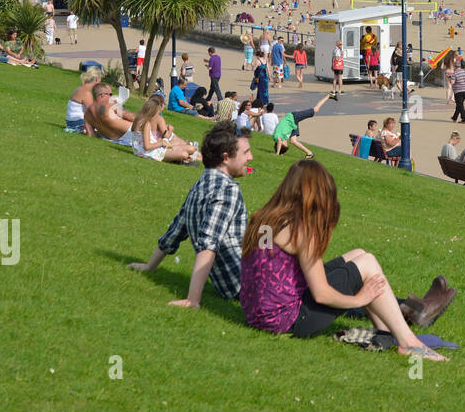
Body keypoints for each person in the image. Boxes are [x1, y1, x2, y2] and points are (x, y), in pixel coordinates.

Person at [238, 160, 448, 359]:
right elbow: (321, 295)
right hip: (288, 320)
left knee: (359, 254)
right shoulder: (300, 231)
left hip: (258, 314)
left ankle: (385, 331)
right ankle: (408, 343)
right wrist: (359, 299)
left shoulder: (263, 218)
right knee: (367, 264)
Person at [127, 124, 253, 307]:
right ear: (226, 158)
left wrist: (150, 266)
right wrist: (193, 299)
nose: (250, 157)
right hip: (247, 284)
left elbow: (176, 230)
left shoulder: (201, 184)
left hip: (231, 283)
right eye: (245, 152)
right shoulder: (227, 190)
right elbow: (208, 243)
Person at [130, 93, 200, 164]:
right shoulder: (146, 124)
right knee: (184, 154)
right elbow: (147, 147)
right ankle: (179, 157)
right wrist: (161, 143)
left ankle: (180, 156)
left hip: (150, 149)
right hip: (150, 152)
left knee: (191, 149)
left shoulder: (138, 120)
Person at [273, 93, 333, 157]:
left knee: (316, 109)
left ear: (280, 144)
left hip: (293, 117)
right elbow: (280, 142)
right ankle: (309, 153)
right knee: (293, 141)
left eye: (285, 144)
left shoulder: (277, 136)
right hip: (292, 125)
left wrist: (277, 153)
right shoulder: (283, 138)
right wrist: (280, 153)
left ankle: (329, 95)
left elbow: (279, 141)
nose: (286, 142)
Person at [449, 56, 465, 123]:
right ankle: (454, 117)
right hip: (464, 90)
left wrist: (450, 78)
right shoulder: (464, 71)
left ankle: (464, 119)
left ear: (455, 66)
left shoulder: (455, 73)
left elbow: (452, 83)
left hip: (458, 91)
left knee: (460, 106)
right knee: (459, 105)